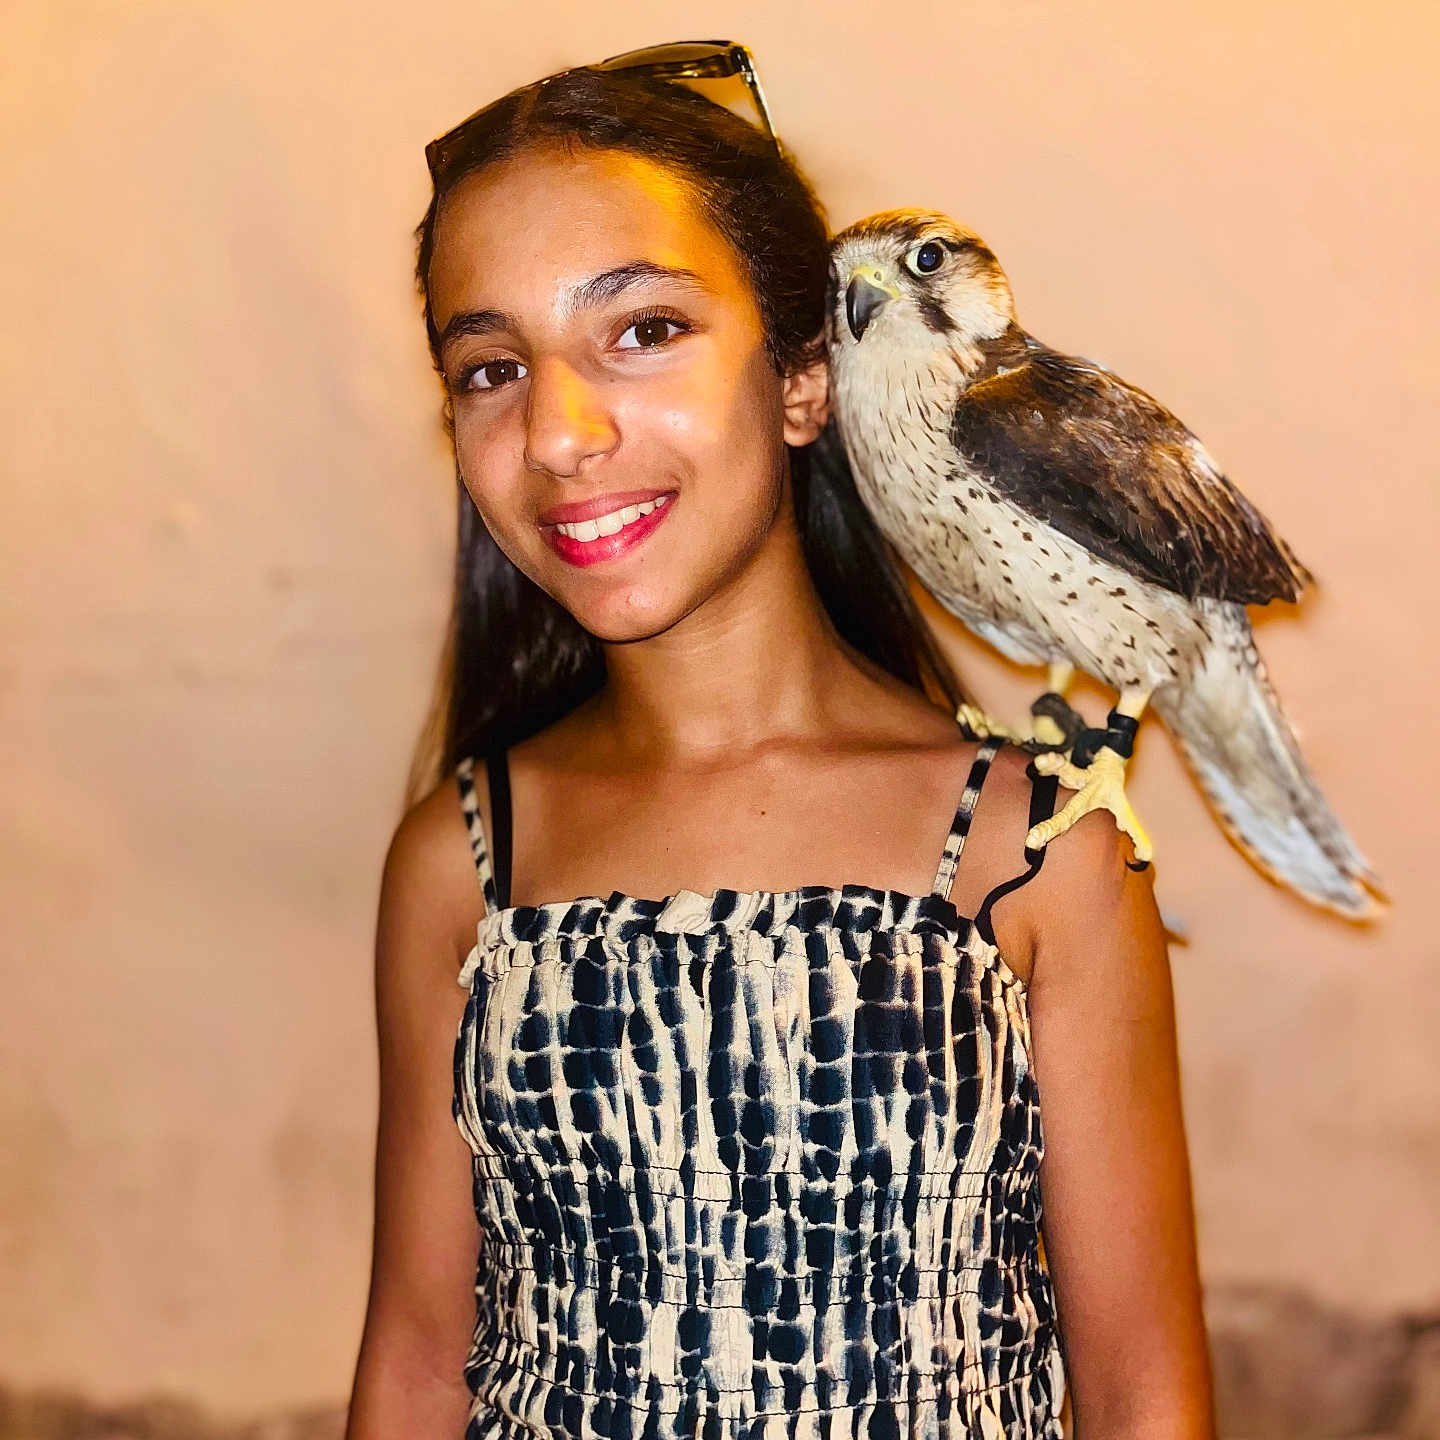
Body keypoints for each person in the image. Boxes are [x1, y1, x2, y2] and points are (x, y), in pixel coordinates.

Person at [347, 44, 1216, 1440]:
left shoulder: (1037, 846)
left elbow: (1141, 1391)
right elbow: (414, 1360)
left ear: (805, 377)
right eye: (492, 367)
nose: (561, 435)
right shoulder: (465, 860)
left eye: (643, 332)